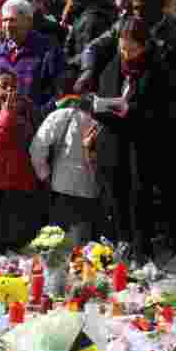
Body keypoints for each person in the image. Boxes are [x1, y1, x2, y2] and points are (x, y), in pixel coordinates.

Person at [77, 0, 176, 263]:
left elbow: (164, 106)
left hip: (144, 144)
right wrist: (96, 105)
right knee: (115, 195)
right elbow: (101, 92)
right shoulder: (114, 64)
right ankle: (121, 244)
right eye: (122, 46)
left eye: (132, 47)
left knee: (140, 198)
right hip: (114, 144)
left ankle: (143, 250)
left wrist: (132, 110)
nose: (126, 52)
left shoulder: (159, 64)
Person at [0, 69, 42, 251]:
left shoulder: (27, 109)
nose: (10, 90)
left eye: (14, 86)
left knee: (21, 239)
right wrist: (6, 113)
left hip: (22, 180)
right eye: (4, 86)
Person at [29, 95, 101, 245]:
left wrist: (44, 175)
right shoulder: (101, 120)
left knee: (57, 243)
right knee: (84, 248)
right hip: (91, 189)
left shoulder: (60, 116)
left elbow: (37, 148)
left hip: (61, 187)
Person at [0, 0, 64, 120]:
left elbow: (59, 92)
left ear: (28, 21)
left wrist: (39, 115)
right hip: (4, 122)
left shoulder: (48, 49)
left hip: (36, 125)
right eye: (4, 20)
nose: (7, 26)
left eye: (12, 20)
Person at [62, 0, 117, 90]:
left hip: (86, 84)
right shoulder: (80, 10)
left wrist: (65, 64)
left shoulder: (95, 17)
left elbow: (86, 55)